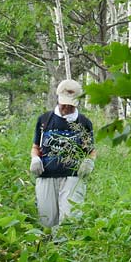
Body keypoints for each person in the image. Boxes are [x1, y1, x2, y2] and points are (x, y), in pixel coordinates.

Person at [30, 79, 96, 228]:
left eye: (70, 104)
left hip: (73, 177)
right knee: (47, 220)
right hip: (47, 176)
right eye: (63, 103)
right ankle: (47, 249)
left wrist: (89, 162)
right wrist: (35, 159)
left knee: (70, 220)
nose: (66, 107)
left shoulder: (84, 123)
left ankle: (66, 249)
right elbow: (36, 146)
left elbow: (91, 151)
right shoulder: (44, 120)